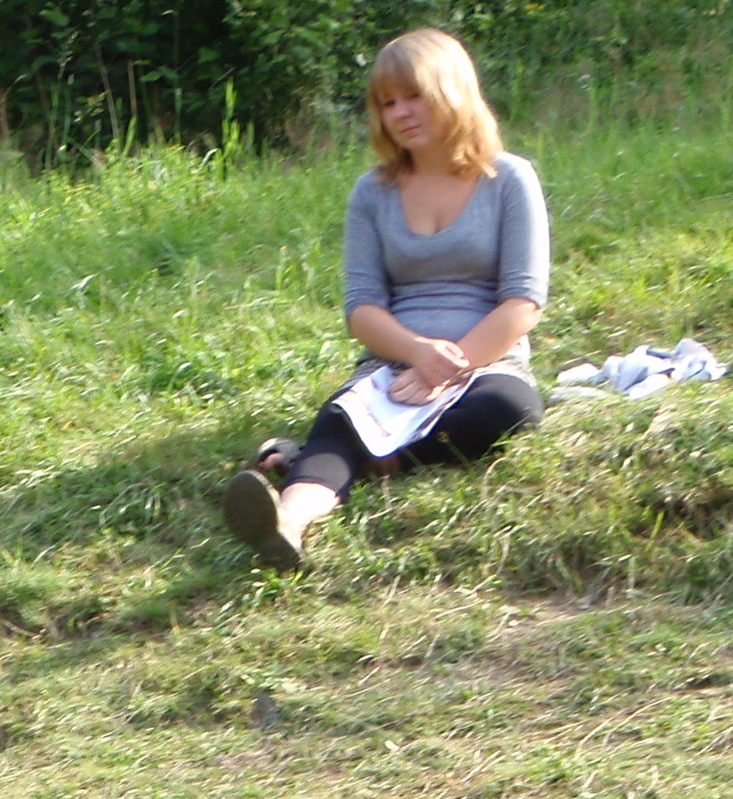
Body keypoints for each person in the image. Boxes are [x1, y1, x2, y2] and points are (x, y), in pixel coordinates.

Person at [223, 27, 549, 571]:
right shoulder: (371, 193)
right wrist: (417, 354)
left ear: (453, 91)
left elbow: (523, 302)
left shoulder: (509, 178)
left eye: (413, 96)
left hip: (485, 364)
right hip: (394, 364)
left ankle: (384, 459)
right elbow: (362, 309)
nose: (399, 113)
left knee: (509, 411)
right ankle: (287, 523)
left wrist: (448, 366)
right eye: (387, 103)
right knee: (342, 421)